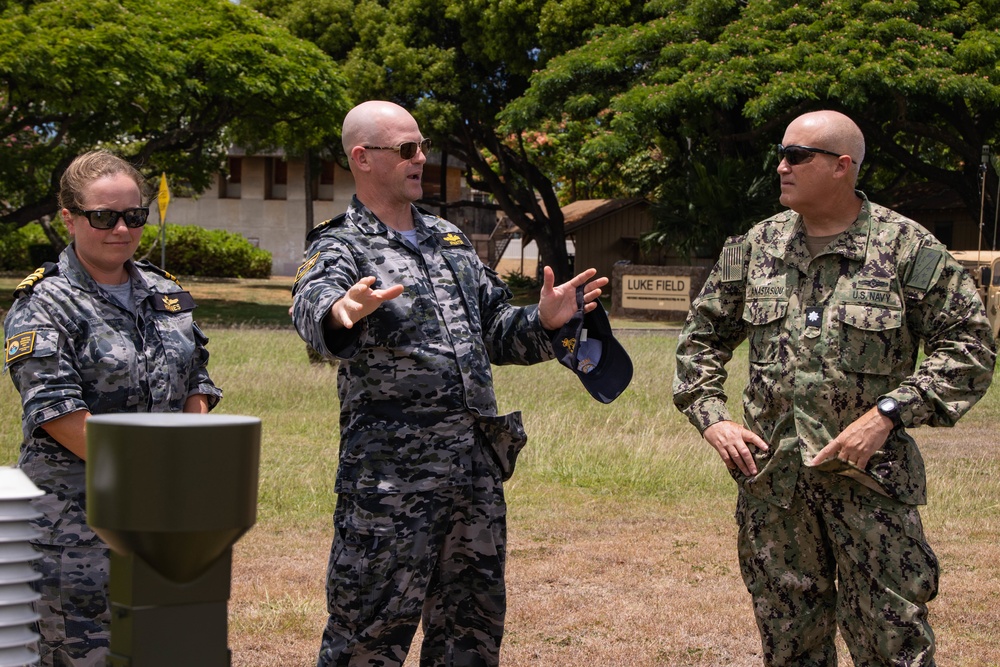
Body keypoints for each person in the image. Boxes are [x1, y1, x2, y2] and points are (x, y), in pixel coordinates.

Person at [291, 100, 610, 667]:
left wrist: (545, 322)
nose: (421, 160)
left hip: (473, 476)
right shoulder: (340, 244)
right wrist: (341, 312)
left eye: (423, 148)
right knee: (368, 635)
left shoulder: (449, 240)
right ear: (362, 158)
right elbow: (314, 311)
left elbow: (494, 331)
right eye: (407, 150)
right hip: (391, 485)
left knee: (471, 633)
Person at [673, 110, 996, 666]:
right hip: (775, 492)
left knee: (892, 647)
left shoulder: (907, 250)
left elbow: (970, 349)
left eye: (797, 155)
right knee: (790, 648)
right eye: (781, 154)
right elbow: (699, 343)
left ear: (842, 166)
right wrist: (713, 418)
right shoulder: (757, 248)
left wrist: (888, 413)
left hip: (870, 490)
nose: (782, 166)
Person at [2, 150, 223, 667]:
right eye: (103, 216)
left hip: (166, 521)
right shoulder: (43, 305)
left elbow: (198, 380)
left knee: (164, 649)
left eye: (134, 215)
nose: (121, 228)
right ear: (69, 218)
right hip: (79, 530)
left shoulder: (167, 295)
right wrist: (157, 476)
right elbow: (58, 414)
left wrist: (190, 456)